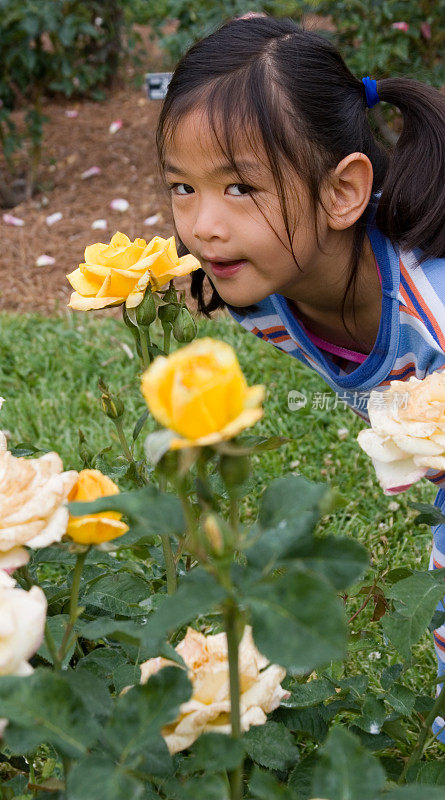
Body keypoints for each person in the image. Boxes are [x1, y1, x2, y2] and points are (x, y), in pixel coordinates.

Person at [155, 15, 445, 738]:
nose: (203, 225)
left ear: (343, 191)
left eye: (239, 188)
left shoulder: (432, 305)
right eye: (182, 187)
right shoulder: (258, 295)